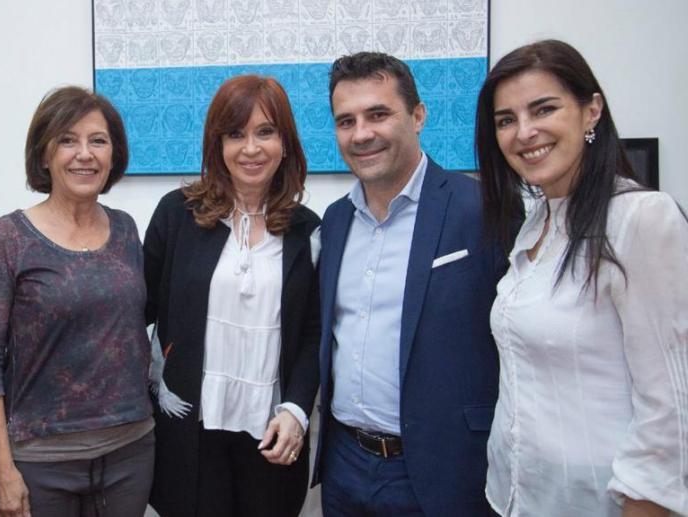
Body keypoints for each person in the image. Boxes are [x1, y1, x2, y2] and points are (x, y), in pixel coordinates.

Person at [476, 39, 688, 516]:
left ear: (592, 111)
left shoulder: (640, 219)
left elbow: (673, 409)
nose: (524, 132)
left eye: (543, 109)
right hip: (514, 496)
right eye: (506, 120)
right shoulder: (537, 222)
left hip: (598, 502)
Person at [312, 51, 505, 516]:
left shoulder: (481, 209)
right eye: (346, 121)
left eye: (378, 114)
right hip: (344, 464)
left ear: (418, 116)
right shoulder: (334, 221)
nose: (361, 134)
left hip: (443, 469)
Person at [143, 74, 320, 517]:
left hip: (271, 431)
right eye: (236, 134)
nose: (251, 148)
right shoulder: (176, 214)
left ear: (285, 143)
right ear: (217, 144)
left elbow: (314, 333)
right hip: (191, 430)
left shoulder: (308, 230)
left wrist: (298, 409)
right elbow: (136, 309)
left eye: (266, 132)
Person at [0, 86, 154, 517]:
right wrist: (1, 469)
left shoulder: (126, 229)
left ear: (114, 154)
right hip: (41, 461)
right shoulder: (8, 238)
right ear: (44, 154)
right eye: (68, 140)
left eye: (98, 140)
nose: (84, 154)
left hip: (130, 452)